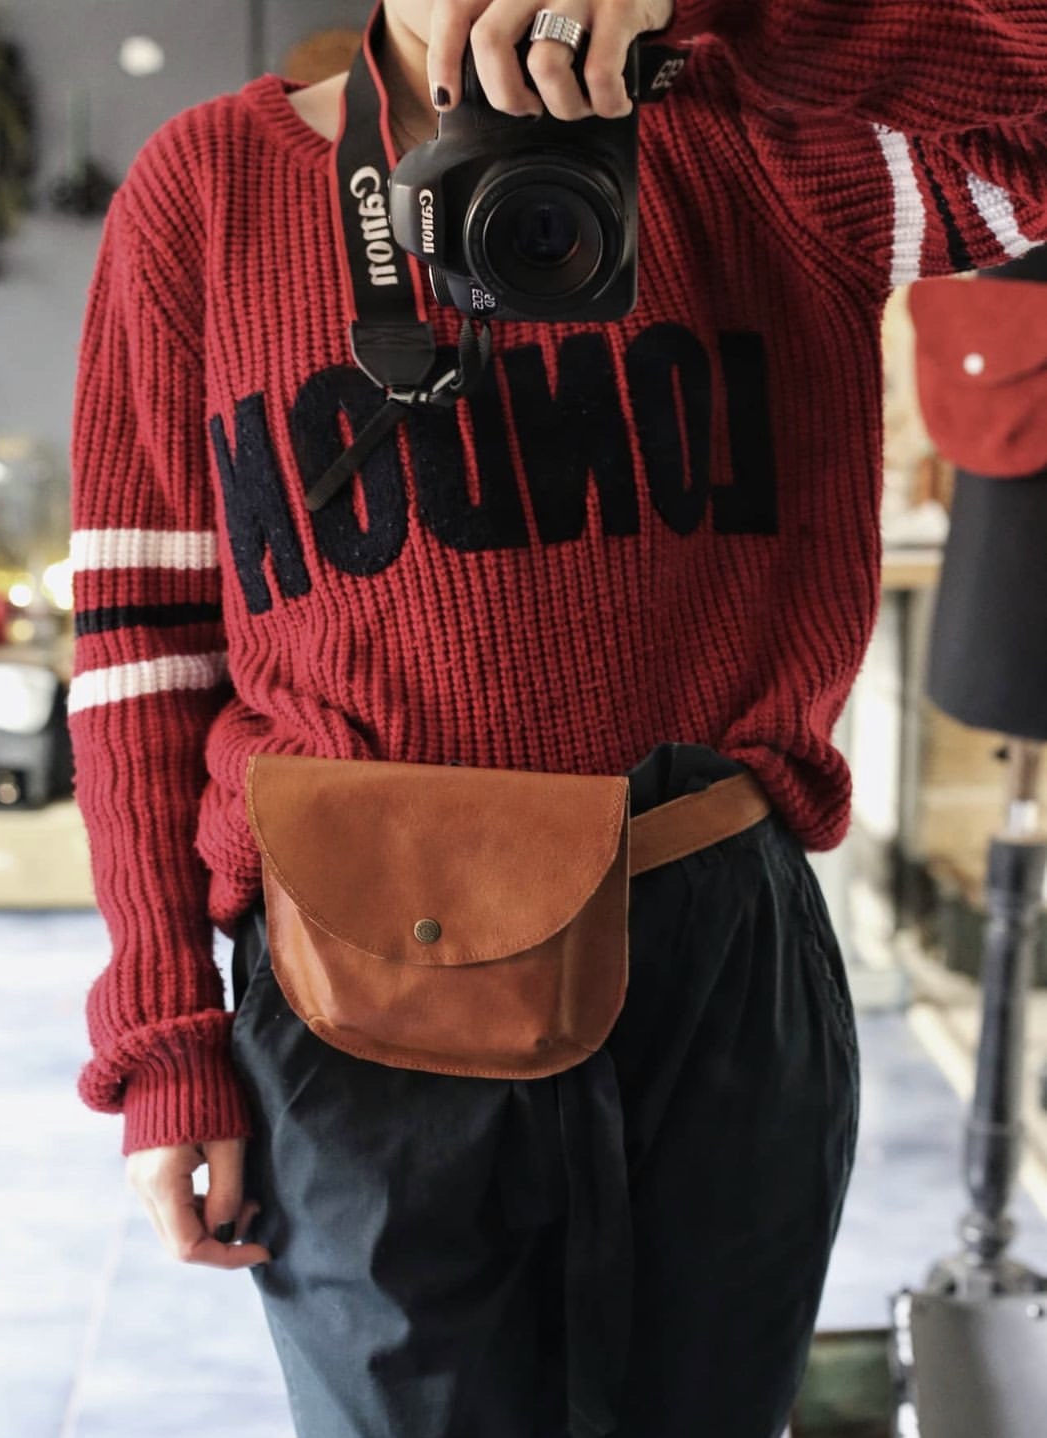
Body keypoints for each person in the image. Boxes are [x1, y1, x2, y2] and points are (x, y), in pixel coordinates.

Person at [68, 1, 1046, 1434]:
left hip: (712, 946)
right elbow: (141, 643)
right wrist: (165, 1034)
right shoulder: (207, 186)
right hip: (355, 982)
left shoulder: (768, 137)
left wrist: (720, 12)